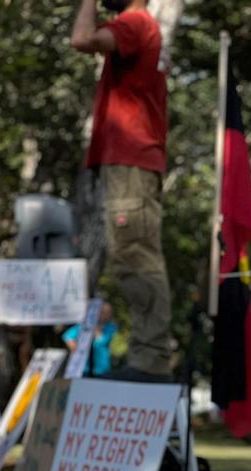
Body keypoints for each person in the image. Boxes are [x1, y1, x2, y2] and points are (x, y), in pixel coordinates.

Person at [71, 0, 173, 382]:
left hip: (132, 159)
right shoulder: (143, 25)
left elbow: (81, 39)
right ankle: (150, 356)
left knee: (136, 254)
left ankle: (150, 361)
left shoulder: (134, 22)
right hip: (133, 160)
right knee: (133, 253)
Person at [62, 301, 118, 376]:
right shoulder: (84, 326)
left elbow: (102, 341)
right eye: (103, 312)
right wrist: (76, 348)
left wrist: (96, 329)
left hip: (102, 369)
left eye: (109, 312)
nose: (106, 315)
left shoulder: (111, 327)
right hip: (83, 368)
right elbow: (67, 336)